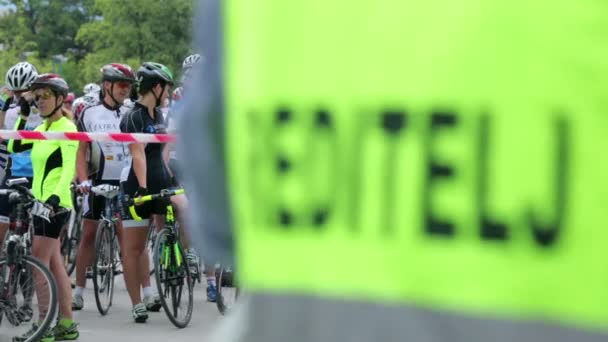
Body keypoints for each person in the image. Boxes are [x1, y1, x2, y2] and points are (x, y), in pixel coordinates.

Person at [72, 63, 160, 312]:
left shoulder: (132, 111)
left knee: (132, 240)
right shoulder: (89, 113)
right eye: (122, 84)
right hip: (98, 181)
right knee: (88, 234)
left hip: (126, 181)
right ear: (107, 85)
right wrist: (83, 180)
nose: (126, 90)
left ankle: (148, 292)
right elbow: (81, 150)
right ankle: (78, 292)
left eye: (129, 85)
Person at [11, 73, 79, 341]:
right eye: (37, 96)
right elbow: (16, 144)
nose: (40, 100)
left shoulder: (67, 127)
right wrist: (24, 115)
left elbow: (68, 167)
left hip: (54, 205)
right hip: (41, 202)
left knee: (38, 265)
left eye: (46, 96)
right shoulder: (44, 129)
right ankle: (66, 324)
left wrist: (54, 199)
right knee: (55, 266)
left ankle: (44, 326)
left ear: (60, 99)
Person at [119, 62, 175, 323]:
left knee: (148, 243)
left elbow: (160, 153)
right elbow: (137, 154)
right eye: (167, 88)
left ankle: (153, 290)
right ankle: (137, 303)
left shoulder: (159, 115)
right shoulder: (132, 116)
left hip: (160, 180)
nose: (170, 93)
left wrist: (169, 174)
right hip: (137, 185)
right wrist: (142, 188)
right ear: (157, 87)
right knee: (134, 247)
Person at [0, 62, 39, 246]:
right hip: (14, 172)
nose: (18, 96)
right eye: (14, 92)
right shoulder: (11, 111)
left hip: (39, 174)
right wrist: (3, 109)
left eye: (22, 91)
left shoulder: (45, 110)